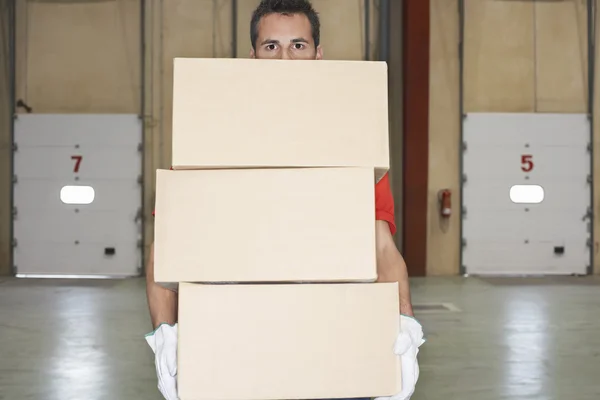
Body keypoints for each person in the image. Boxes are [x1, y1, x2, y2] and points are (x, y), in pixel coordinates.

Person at [144, 1, 425, 400]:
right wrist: (165, 333)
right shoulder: (212, 141)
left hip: (329, 341)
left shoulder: (354, 148)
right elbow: (168, 250)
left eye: (298, 45)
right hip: (236, 345)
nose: (285, 59)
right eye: (271, 47)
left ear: (318, 55)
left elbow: (380, 246)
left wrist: (404, 320)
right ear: (253, 57)